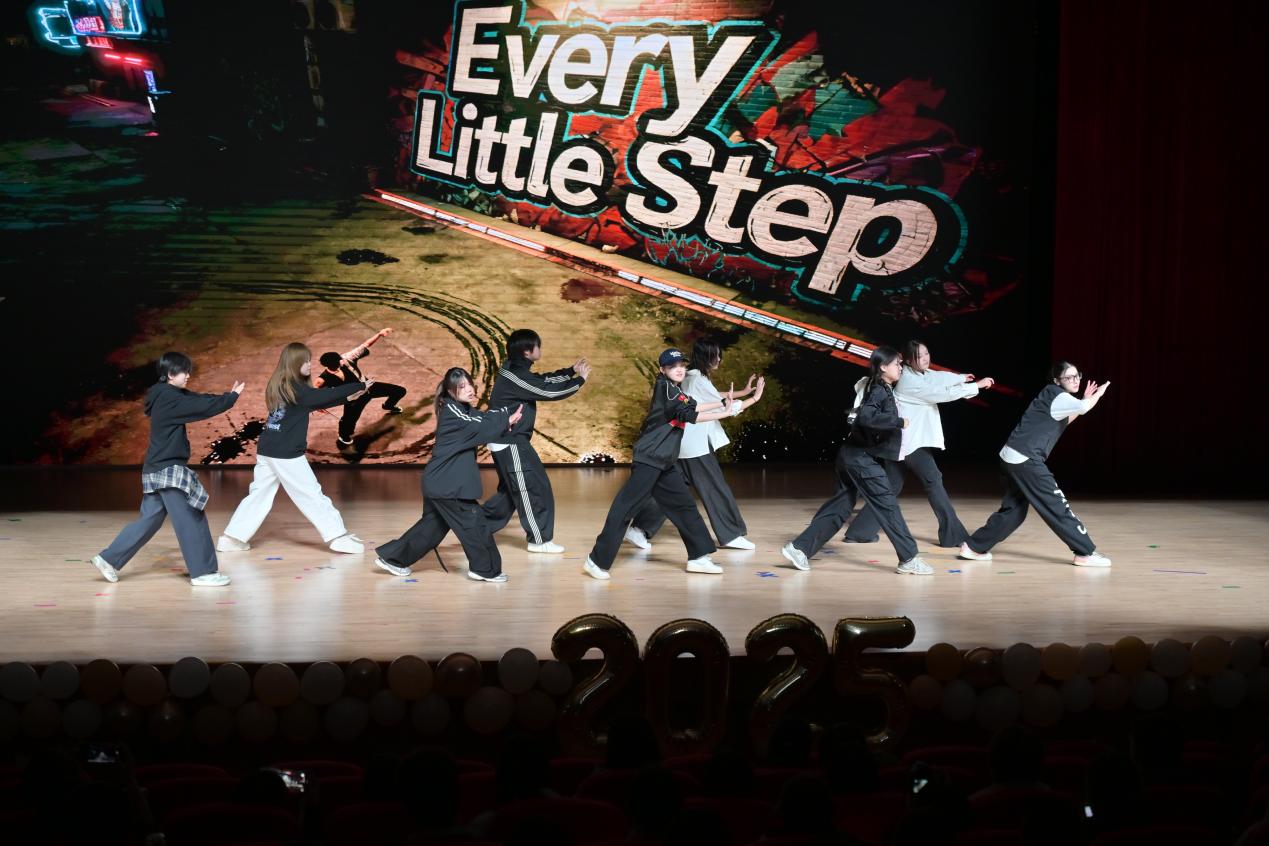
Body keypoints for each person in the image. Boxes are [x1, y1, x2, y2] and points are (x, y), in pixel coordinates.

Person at [582, 348, 760, 580]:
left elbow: (693, 405)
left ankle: (699, 557)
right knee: (624, 509)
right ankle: (596, 561)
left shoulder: (674, 389)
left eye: (681, 365)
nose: (679, 369)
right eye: (672, 366)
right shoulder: (666, 389)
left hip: (664, 461)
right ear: (662, 369)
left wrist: (724, 402)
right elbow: (692, 416)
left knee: (684, 507)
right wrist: (725, 412)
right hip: (649, 459)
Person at [90, 352, 244, 587]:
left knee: (149, 520)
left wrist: (227, 396)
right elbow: (200, 407)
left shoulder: (165, 393)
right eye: (184, 371)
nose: (188, 375)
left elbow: (197, 398)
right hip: (168, 468)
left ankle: (108, 559)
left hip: (156, 467)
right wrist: (230, 398)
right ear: (171, 374)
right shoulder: (169, 399)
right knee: (191, 515)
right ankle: (203, 572)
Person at [781, 346, 933, 575]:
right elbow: (866, 417)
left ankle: (799, 548)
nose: (901, 368)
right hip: (861, 460)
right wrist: (898, 422)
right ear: (883, 367)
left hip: (851, 456)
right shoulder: (879, 389)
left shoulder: (877, 386)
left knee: (841, 507)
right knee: (887, 505)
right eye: (896, 364)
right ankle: (909, 558)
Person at [216, 342, 371, 554]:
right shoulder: (298, 390)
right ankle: (338, 537)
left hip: (268, 449)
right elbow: (318, 397)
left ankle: (232, 538)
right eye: (306, 361)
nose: (310, 364)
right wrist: (359, 387)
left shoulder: (280, 384)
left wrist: (348, 395)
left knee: (258, 495)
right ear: (295, 363)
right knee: (311, 494)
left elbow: (314, 400)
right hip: (285, 453)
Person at [374, 368, 523, 582]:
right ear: (451, 391)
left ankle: (394, 559)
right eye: (462, 386)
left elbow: (482, 418)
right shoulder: (453, 412)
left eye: (469, 384)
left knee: (432, 528)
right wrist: (505, 420)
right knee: (475, 525)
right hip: (448, 484)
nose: (469, 389)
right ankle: (485, 570)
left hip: (442, 482)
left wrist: (505, 415)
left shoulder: (461, 409)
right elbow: (480, 427)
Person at [960, 361, 1112, 566]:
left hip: (1010, 456)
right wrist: (1097, 395)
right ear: (1057, 380)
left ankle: (973, 547)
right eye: (1069, 377)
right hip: (1025, 459)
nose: (1075, 380)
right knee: (1057, 505)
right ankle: (1085, 553)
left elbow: (1067, 419)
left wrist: (1085, 399)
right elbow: (1084, 408)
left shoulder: (1053, 395)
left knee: (1014, 511)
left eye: (1077, 376)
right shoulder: (1058, 395)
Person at [844, 339, 993, 547]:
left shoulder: (917, 374)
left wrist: (960, 377)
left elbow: (936, 377)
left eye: (926, 353)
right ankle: (954, 536)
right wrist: (975, 386)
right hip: (909, 442)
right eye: (919, 356)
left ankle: (860, 531)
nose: (925, 359)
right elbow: (941, 393)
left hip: (902, 441)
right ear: (907, 361)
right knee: (933, 481)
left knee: (891, 486)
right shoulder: (908, 381)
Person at [626, 339, 764, 551]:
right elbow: (725, 406)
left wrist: (742, 392)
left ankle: (639, 529)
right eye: (716, 355)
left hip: (682, 444)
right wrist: (754, 398)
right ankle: (731, 535)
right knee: (715, 488)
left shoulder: (691, 375)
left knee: (673, 491)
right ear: (706, 357)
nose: (719, 359)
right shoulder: (697, 379)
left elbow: (711, 397)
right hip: (695, 446)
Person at [481, 329, 590, 553]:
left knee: (509, 495)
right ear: (527, 351)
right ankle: (539, 541)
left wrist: (570, 372)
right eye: (538, 346)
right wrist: (579, 381)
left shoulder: (516, 371)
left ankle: (473, 527)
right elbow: (547, 391)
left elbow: (542, 380)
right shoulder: (514, 376)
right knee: (533, 490)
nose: (540, 349)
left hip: (508, 440)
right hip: (510, 441)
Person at [314, 327, 407, 447]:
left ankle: (388, 405)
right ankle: (344, 436)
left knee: (400, 391)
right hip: (353, 399)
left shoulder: (347, 358)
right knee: (348, 420)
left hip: (369, 387)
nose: (342, 361)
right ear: (331, 365)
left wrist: (379, 334)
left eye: (341, 359)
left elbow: (365, 344)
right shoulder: (323, 379)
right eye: (339, 361)